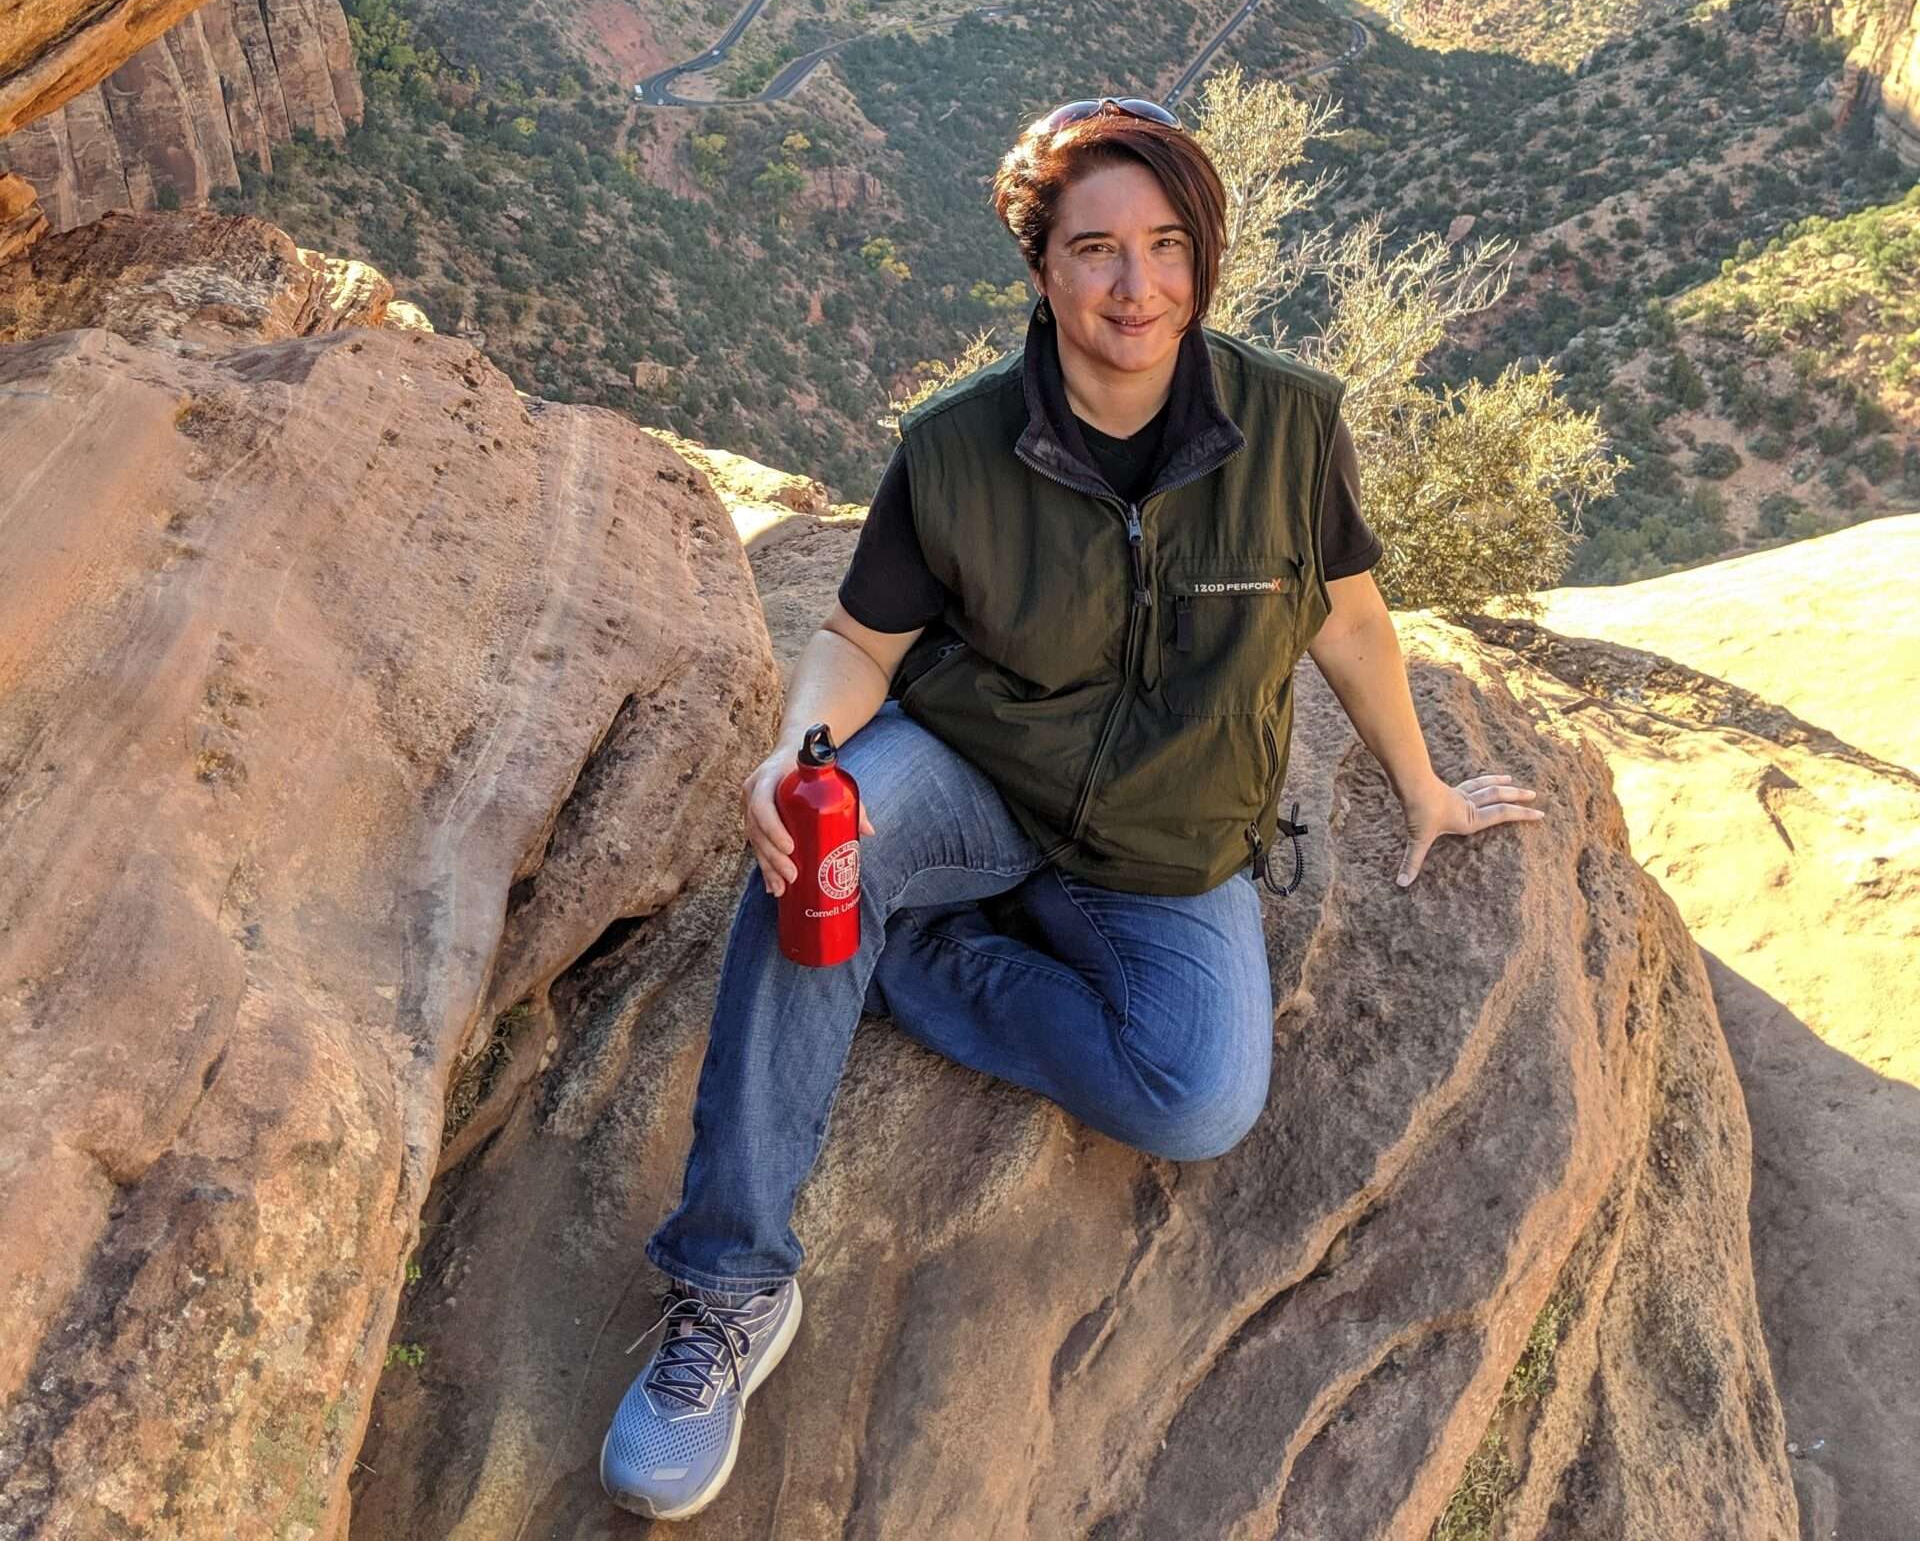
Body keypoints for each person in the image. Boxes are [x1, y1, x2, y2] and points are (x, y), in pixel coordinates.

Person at [600, 95, 1543, 1519]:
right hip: (982, 779)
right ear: (1041, 269)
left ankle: (902, 957)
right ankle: (727, 1290)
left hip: (1165, 845)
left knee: (1197, 1095)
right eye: (1095, 250)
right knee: (814, 845)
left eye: (1166, 246)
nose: (1135, 287)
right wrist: (801, 751)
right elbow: (859, 644)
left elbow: (1350, 623)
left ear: (1205, 256)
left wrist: (1425, 789)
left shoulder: (1289, 422)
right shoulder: (958, 443)